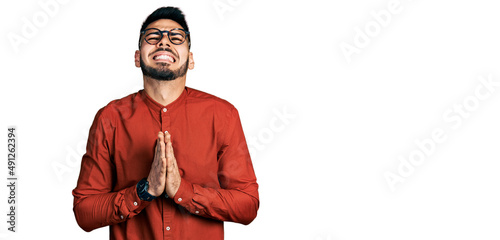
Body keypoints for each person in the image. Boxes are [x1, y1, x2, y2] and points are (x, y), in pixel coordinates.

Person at [72, 6, 259, 240]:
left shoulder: (223, 115)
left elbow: (248, 205)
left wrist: (183, 191)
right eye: (153, 36)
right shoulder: (110, 118)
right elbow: (84, 211)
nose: (164, 42)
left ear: (190, 59)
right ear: (137, 57)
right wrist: (144, 191)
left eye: (176, 37)